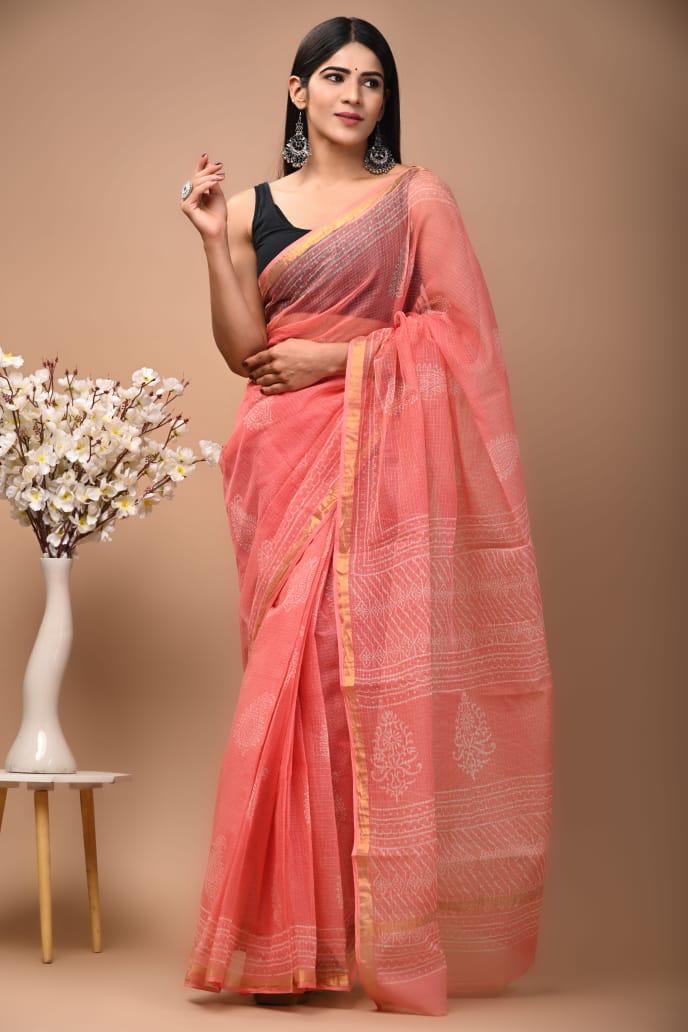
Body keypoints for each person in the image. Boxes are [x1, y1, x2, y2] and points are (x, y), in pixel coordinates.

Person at [179, 15, 554, 1018]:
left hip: (375, 453)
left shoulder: (416, 199)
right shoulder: (251, 207)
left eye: (373, 81)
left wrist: (340, 359)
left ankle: (345, 940)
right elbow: (243, 350)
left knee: (347, 686)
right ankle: (284, 946)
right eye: (336, 77)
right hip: (276, 459)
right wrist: (215, 245)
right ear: (297, 91)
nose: (354, 95)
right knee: (284, 686)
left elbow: (463, 337)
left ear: (386, 100)